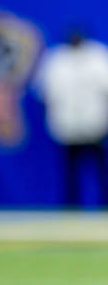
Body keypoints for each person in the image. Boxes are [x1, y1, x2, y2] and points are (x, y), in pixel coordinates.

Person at [35, 29, 108, 207]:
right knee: (69, 170)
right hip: (67, 126)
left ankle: (104, 204)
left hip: (95, 124)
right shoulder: (56, 59)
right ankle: (71, 207)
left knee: (101, 168)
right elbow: (44, 91)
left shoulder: (98, 56)